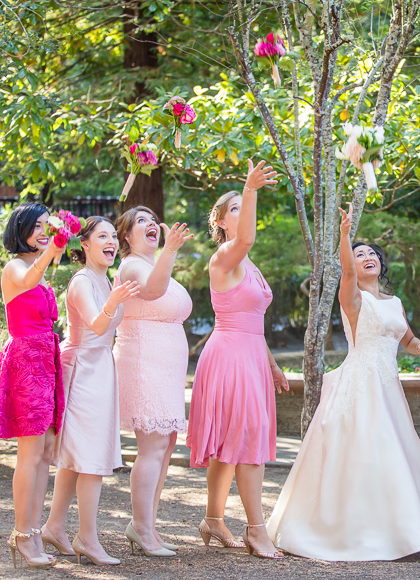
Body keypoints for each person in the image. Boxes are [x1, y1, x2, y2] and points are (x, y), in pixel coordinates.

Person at [266, 205, 420, 561]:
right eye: (360, 255)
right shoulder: (352, 298)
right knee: (364, 454)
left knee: (394, 455)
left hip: (388, 388)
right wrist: (344, 236)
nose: (368, 257)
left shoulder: (395, 302)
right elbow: (345, 272)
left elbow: (407, 339)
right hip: (360, 385)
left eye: (372, 254)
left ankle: (404, 533)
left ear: (380, 264)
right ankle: (358, 534)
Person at [186, 161, 289, 559]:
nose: (243, 212)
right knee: (248, 439)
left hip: (251, 355)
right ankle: (256, 530)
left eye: (243, 206)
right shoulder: (225, 257)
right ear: (221, 223)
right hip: (229, 356)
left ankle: (213, 519)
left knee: (235, 440)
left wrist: (272, 364)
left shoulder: (248, 263)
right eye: (235, 208)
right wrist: (249, 190)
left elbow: (254, 322)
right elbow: (246, 237)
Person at [43, 217, 140, 566]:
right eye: (102, 236)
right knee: (90, 457)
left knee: (79, 455)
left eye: (113, 235)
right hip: (83, 368)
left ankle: (54, 527)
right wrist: (113, 301)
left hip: (101, 367)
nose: (111, 241)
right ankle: (87, 537)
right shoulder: (82, 281)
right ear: (84, 245)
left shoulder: (107, 280)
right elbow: (98, 326)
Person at [0, 203, 65, 569]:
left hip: (46, 360)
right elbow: (30, 280)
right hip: (26, 363)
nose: (45, 232)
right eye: (38, 226)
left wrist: (54, 248)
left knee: (45, 451)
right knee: (30, 453)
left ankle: (32, 530)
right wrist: (53, 248)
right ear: (21, 230)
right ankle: (21, 533)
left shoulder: (38, 266)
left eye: (48, 225)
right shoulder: (15, 267)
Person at [114, 207, 194, 556]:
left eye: (152, 220)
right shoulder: (132, 265)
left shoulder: (155, 264)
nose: (150, 224)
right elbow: (152, 292)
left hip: (167, 368)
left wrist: (166, 254)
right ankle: (141, 529)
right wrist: (171, 250)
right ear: (127, 236)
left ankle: (147, 526)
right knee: (153, 445)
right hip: (144, 361)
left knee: (166, 442)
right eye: (140, 221)